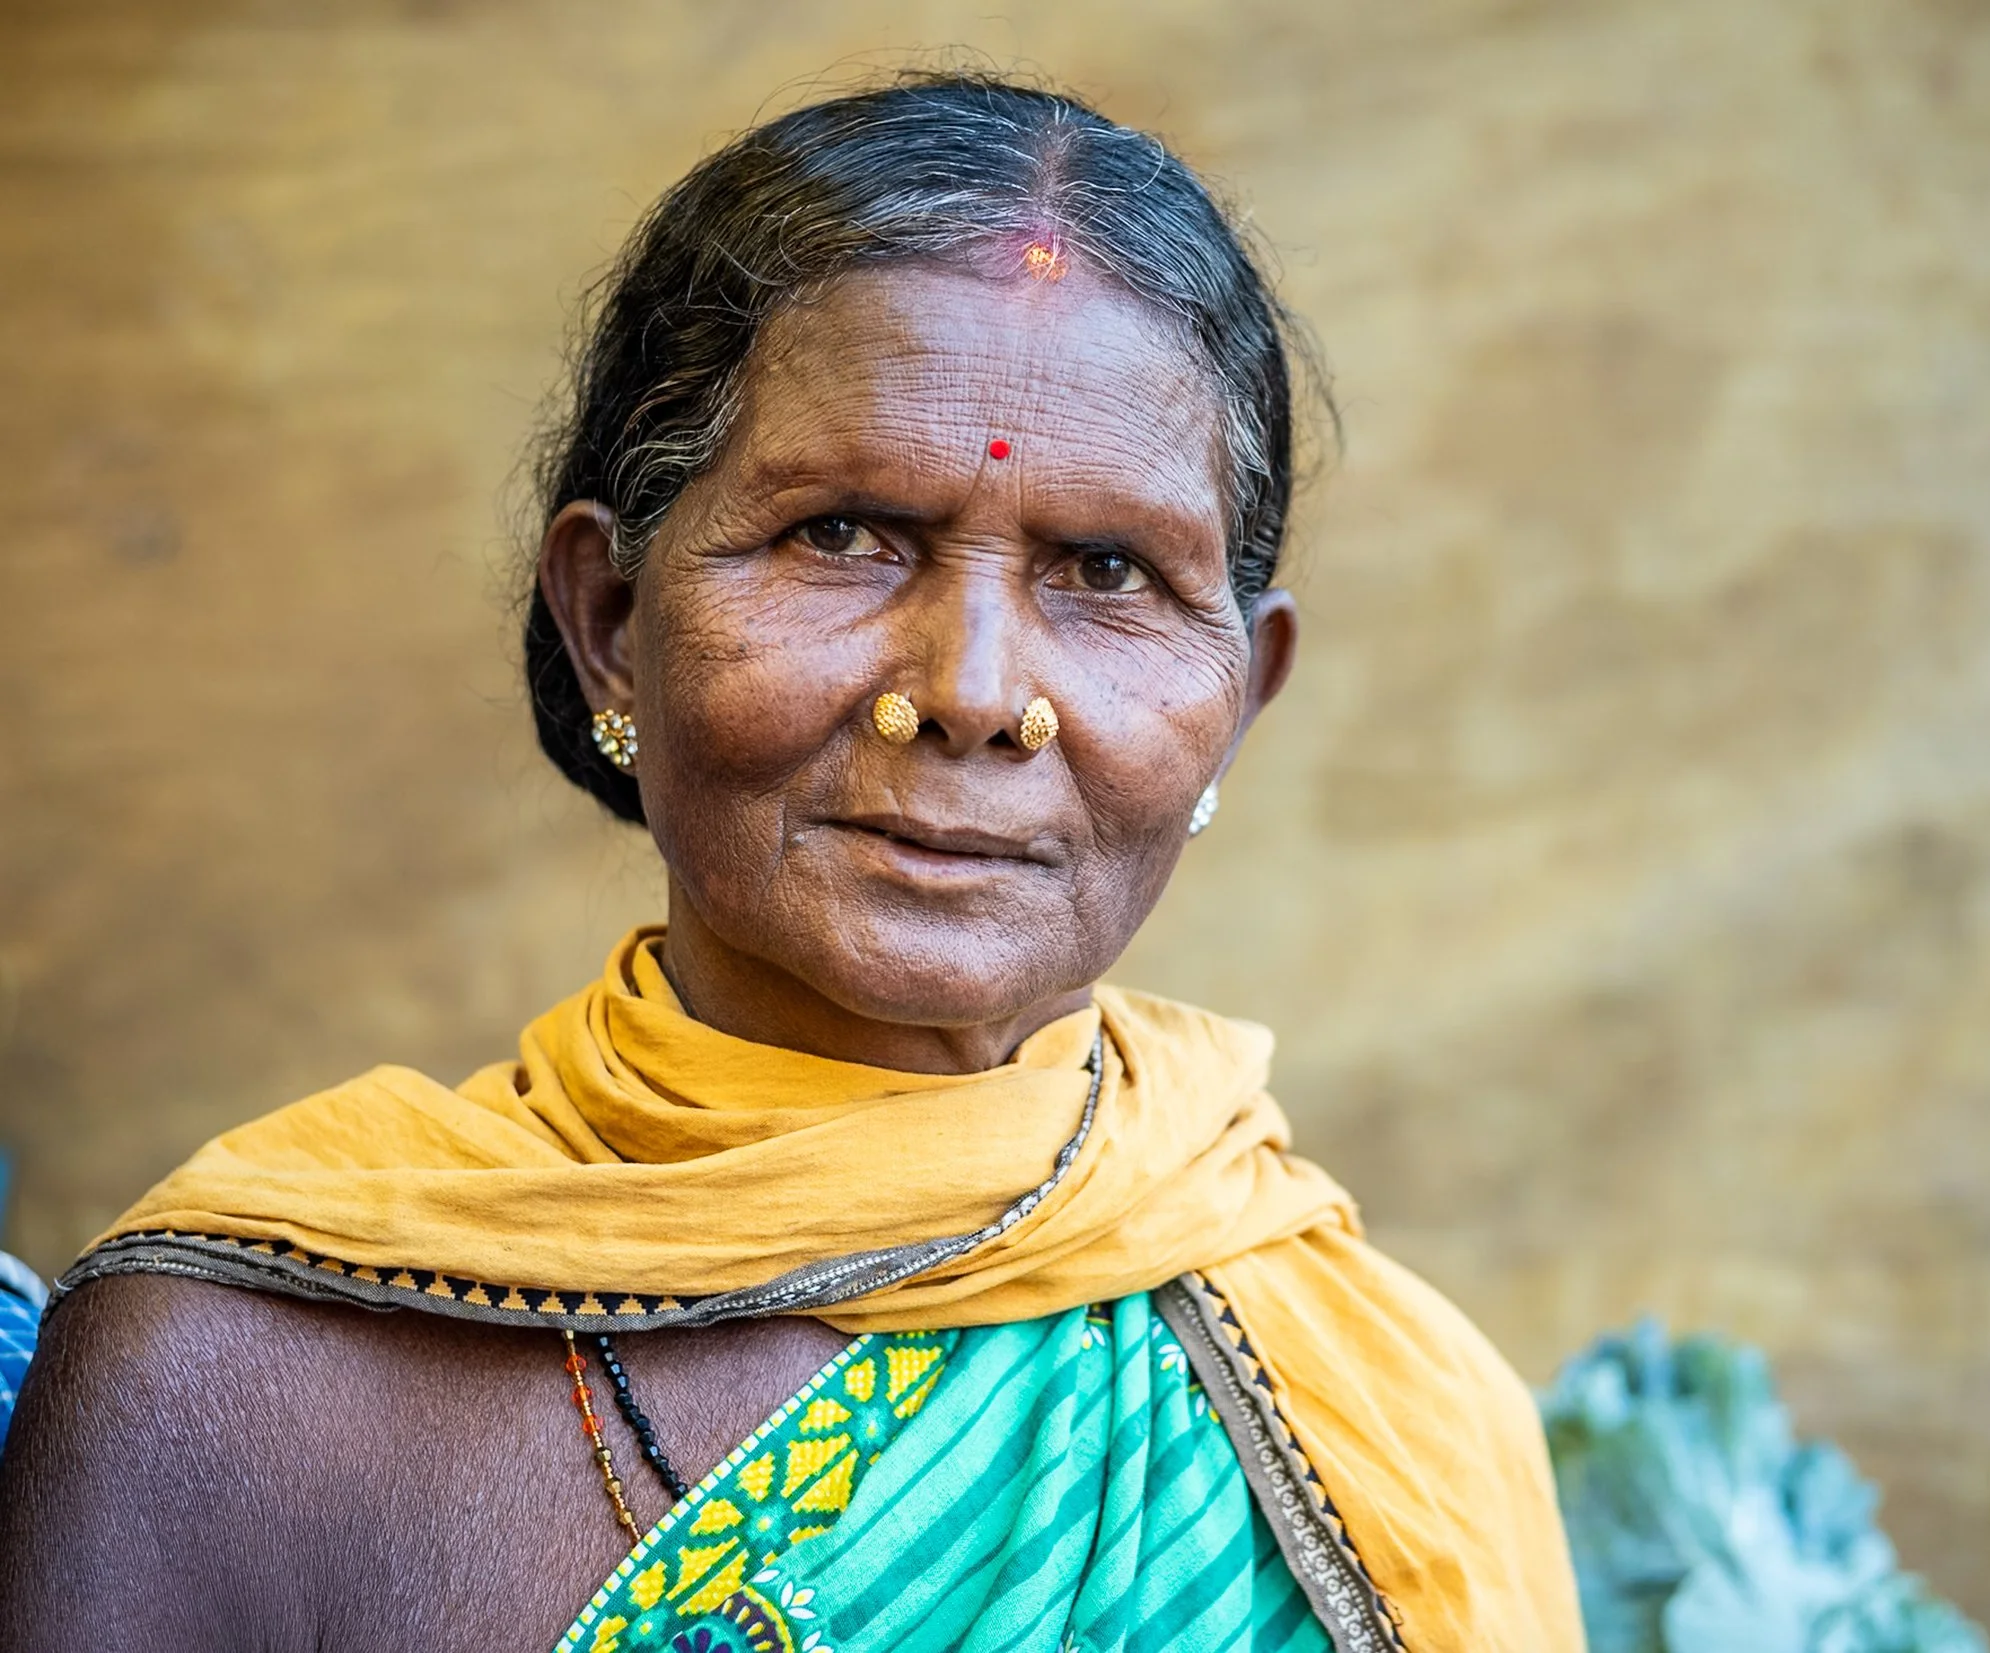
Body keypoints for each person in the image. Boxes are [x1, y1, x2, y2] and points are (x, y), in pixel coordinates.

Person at [0, 75, 1580, 1652]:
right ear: (610, 619)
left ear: (1241, 700)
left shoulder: (1392, 1420)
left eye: (1106, 572)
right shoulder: (233, 1391)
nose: (969, 690)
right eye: (844, 535)